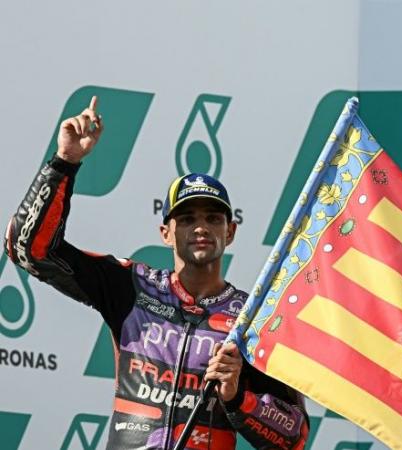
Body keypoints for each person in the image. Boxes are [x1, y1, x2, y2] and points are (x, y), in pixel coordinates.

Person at [4, 97, 309, 450]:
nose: (201, 228)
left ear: (230, 232)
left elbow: (295, 437)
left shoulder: (253, 319)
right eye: (187, 218)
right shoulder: (131, 286)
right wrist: (64, 162)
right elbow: (28, 249)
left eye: (213, 218)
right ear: (166, 232)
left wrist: (239, 397)